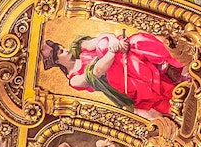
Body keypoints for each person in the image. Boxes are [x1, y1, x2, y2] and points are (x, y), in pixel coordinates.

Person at [40, 33, 186, 116]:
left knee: (135, 40)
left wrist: (114, 41)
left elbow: (101, 38)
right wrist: (112, 51)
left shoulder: (78, 48)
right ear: (57, 61)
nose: (66, 50)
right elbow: (97, 71)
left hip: (122, 58)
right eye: (61, 52)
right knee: (107, 50)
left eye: (62, 47)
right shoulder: (74, 80)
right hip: (117, 82)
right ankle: (163, 74)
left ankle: (177, 59)